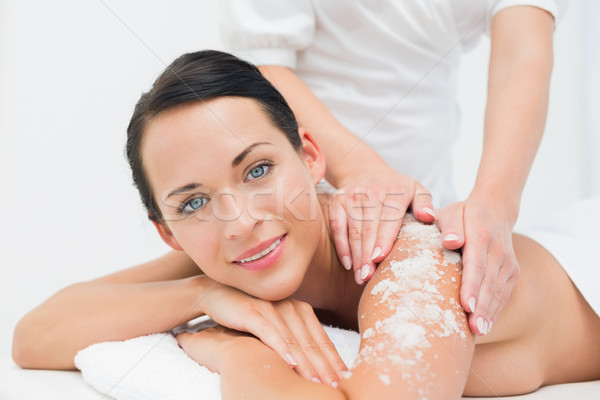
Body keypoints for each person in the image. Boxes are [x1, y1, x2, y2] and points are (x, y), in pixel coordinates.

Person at [12, 51, 599, 399]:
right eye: (191, 203)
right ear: (167, 232)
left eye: (258, 169)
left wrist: (235, 354)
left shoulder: (413, 257)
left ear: (312, 159)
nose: (240, 220)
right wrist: (205, 295)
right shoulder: (232, 251)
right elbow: (35, 335)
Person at [219, 0, 570, 336]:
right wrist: (359, 171)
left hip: (426, 217)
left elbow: (522, 53)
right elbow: (265, 64)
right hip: (316, 202)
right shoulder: (246, 236)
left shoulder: (427, 276)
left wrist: (495, 206)